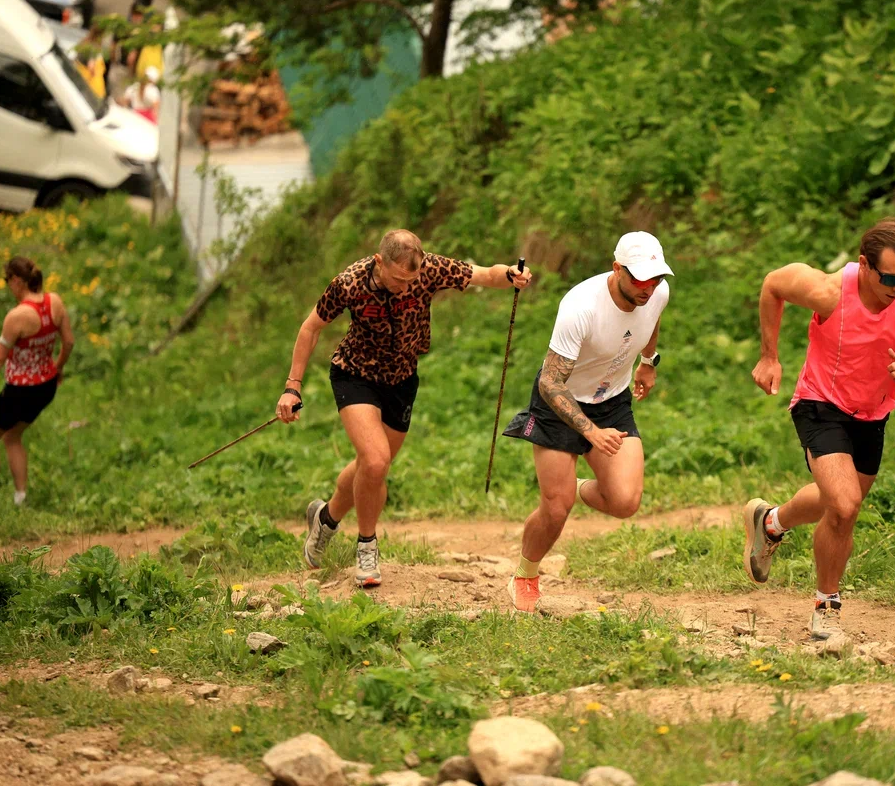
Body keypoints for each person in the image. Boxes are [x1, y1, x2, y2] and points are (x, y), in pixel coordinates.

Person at [742, 217, 895, 638]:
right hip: (819, 402)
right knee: (843, 507)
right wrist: (769, 356)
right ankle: (826, 609)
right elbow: (773, 284)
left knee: (838, 503)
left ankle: (770, 523)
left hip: (873, 412)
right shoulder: (828, 292)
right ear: (864, 265)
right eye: (890, 278)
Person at [277, 230, 532, 587]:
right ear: (379, 262)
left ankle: (326, 518)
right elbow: (310, 329)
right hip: (356, 375)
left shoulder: (429, 269)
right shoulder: (349, 283)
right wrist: (292, 386)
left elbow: (483, 274)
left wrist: (509, 275)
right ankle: (367, 546)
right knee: (377, 460)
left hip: (401, 380)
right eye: (398, 279)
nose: (403, 286)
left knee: (373, 465)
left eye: (410, 280)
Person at [502, 231, 672, 612]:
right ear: (617, 270)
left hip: (611, 402)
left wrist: (648, 361)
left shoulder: (656, 293)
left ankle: (572, 485)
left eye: (656, 278)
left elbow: (652, 319)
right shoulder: (580, 306)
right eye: (640, 279)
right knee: (556, 508)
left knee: (625, 501)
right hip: (559, 403)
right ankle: (526, 575)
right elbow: (550, 382)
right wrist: (589, 432)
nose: (649, 288)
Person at [0, 257, 75, 506]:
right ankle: (20, 497)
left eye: (7, 280)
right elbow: (69, 342)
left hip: (20, 391)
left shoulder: (17, 317)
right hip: (46, 387)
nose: (8, 285)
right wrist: (57, 368)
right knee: (12, 436)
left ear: (17, 280)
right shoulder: (55, 303)